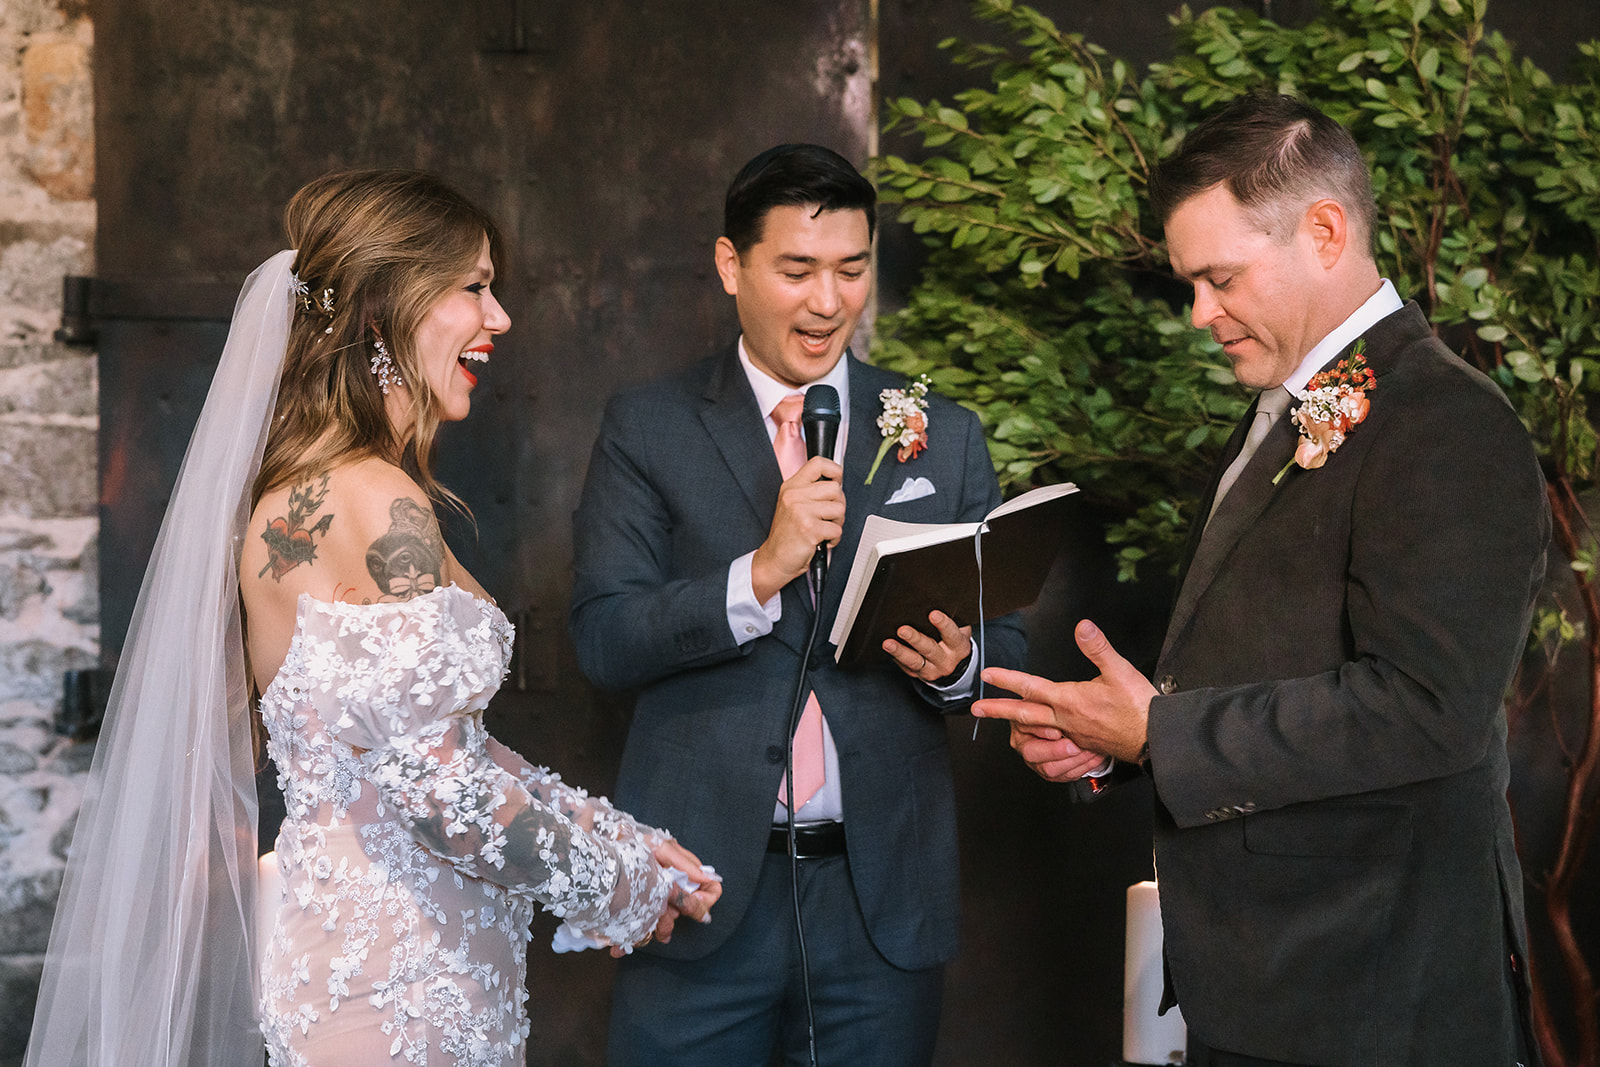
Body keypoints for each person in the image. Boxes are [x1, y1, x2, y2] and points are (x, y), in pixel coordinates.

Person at [26, 169, 719, 1067]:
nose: (499, 316)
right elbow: (442, 793)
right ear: (381, 313)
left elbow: (444, 749)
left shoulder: (305, 492)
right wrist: (617, 886)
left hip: (390, 959)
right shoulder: (376, 498)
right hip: (398, 979)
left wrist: (621, 837)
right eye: (472, 287)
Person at [972, 94, 1549, 1066]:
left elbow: (1425, 708)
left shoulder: (1448, 422)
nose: (1200, 313)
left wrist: (1161, 730)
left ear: (1324, 230)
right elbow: (1278, 653)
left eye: (1219, 277)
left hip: (1372, 995)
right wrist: (1122, 741)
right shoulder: (1289, 401)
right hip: (1269, 982)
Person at [569, 143, 1026, 1066]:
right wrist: (759, 573)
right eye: (798, 270)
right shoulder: (648, 426)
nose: (829, 302)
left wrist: (962, 664)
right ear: (731, 264)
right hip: (699, 894)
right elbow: (606, 637)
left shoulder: (941, 434)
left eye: (852, 270)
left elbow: (1002, 634)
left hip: (879, 901)